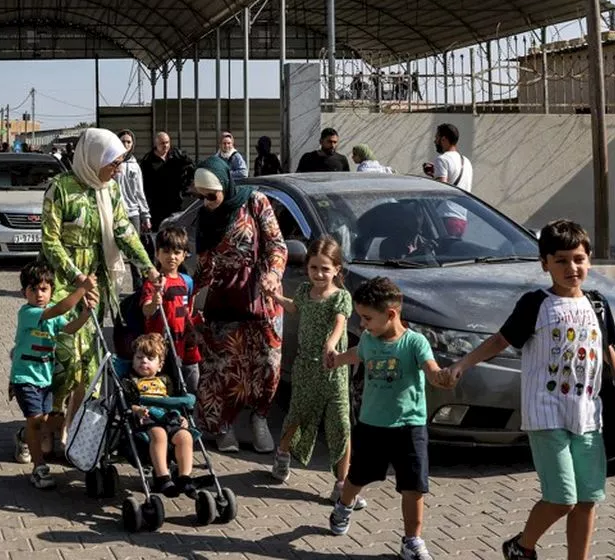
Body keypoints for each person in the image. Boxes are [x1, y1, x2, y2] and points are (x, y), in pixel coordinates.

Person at [443, 220, 615, 560]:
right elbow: (501, 339)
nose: (571, 268)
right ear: (545, 263)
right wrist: (462, 365)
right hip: (546, 415)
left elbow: (607, 351)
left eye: (578, 259)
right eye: (561, 260)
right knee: (562, 498)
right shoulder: (535, 303)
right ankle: (521, 546)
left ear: (589, 260)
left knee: (588, 499)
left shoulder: (597, 304)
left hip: (588, 416)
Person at [40, 127, 158, 443]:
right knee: (64, 361)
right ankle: (48, 428)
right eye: (114, 163)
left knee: (90, 364)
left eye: (120, 163)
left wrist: (147, 267)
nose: (117, 170)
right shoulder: (60, 188)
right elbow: (50, 241)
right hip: (65, 288)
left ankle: (75, 431)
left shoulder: (110, 190)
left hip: (97, 288)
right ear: (94, 158)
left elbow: (124, 231)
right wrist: (76, 276)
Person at [326, 276, 452, 559]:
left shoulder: (414, 343)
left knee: (414, 487)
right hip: (372, 426)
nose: (363, 325)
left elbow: (430, 369)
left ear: (391, 314)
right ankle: (343, 507)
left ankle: (412, 541)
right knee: (356, 478)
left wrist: (439, 377)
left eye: (367, 318)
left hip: (410, 427)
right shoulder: (370, 340)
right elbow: (357, 353)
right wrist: (336, 359)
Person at [192, 156, 287, 453]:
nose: (207, 202)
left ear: (225, 185)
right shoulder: (205, 218)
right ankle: (224, 427)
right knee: (223, 368)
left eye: (212, 196)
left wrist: (272, 274)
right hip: (224, 301)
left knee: (267, 366)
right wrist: (191, 300)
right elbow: (204, 266)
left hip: (261, 297)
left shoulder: (255, 202)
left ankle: (260, 419)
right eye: (201, 197)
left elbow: (276, 244)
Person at [266, 236, 363, 507]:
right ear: (307, 268)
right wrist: (275, 296)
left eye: (325, 269)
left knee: (340, 424)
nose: (319, 274)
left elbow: (340, 323)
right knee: (297, 413)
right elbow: (295, 308)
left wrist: (331, 345)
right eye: (314, 268)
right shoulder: (305, 291)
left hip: (333, 370)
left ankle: (342, 484)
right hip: (306, 366)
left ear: (337, 271)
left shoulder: (341, 297)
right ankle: (282, 456)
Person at [9, 263, 98, 489]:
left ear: (51, 290)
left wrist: (86, 314)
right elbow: (58, 310)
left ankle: (23, 435)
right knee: (37, 422)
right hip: (25, 377)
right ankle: (39, 468)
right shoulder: (28, 313)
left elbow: (68, 327)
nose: (39, 294)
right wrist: (82, 289)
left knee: (45, 422)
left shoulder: (51, 315)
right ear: (24, 293)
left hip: (45, 378)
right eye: (34, 290)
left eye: (44, 289)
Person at [122, 333, 197, 498]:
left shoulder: (165, 380)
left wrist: (181, 416)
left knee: (185, 436)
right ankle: (163, 477)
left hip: (168, 416)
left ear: (160, 365)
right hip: (146, 418)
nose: (144, 361)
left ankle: (185, 477)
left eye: (150, 358)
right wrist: (137, 410)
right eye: (139, 357)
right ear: (133, 361)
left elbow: (172, 401)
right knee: (159, 434)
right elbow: (126, 404)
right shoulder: (131, 382)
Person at [140, 226, 202, 394]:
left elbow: (186, 311)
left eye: (176, 252)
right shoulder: (153, 282)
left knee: (189, 388)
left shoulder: (187, 281)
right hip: (159, 347)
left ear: (184, 255)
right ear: (157, 254)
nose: (171, 257)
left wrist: (195, 322)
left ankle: (184, 418)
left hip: (183, 344)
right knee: (161, 388)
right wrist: (154, 302)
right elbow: (146, 310)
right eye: (166, 252)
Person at [423, 123, 473, 239]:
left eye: (436, 138)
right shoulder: (466, 161)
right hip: (462, 218)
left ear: (444, 139)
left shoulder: (442, 159)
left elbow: (442, 189)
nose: (435, 141)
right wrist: (434, 174)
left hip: (446, 217)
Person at [139, 131, 194, 232]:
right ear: (156, 144)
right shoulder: (148, 161)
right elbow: (143, 185)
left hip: (176, 202)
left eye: (167, 142)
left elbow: (191, 167)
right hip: (157, 205)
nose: (165, 146)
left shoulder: (177, 154)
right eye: (162, 143)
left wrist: (186, 187)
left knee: (177, 233)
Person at [115, 129, 153, 246]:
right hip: (115, 213)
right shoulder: (111, 164)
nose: (125, 145)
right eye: (122, 141)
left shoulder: (135, 166)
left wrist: (145, 216)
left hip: (133, 213)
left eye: (128, 142)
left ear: (132, 144)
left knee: (135, 248)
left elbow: (139, 192)